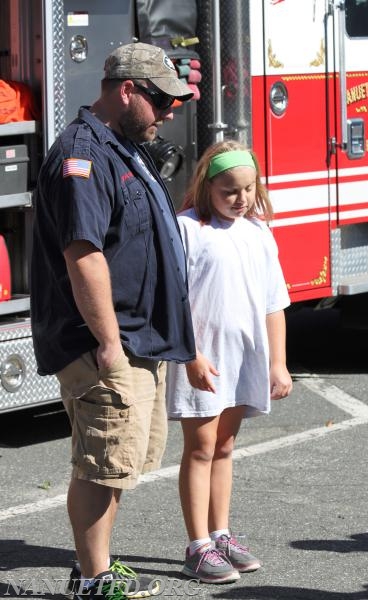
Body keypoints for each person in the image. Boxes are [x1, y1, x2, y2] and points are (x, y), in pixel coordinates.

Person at [30, 42, 197, 600]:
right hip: (106, 342)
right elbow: (85, 256)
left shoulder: (122, 144)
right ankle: (92, 578)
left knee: (119, 462)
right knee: (101, 463)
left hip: (137, 339)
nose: (170, 110)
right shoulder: (84, 154)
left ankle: (96, 570)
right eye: (160, 100)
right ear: (126, 90)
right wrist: (108, 345)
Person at [166, 139, 293, 584]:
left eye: (248, 189)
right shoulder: (186, 228)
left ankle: (220, 533)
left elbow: (274, 303)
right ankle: (197, 544)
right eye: (229, 191)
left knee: (224, 447)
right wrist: (191, 355)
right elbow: (175, 301)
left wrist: (278, 362)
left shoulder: (258, 232)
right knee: (200, 449)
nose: (240, 199)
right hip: (202, 360)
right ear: (206, 187)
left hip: (243, 358)